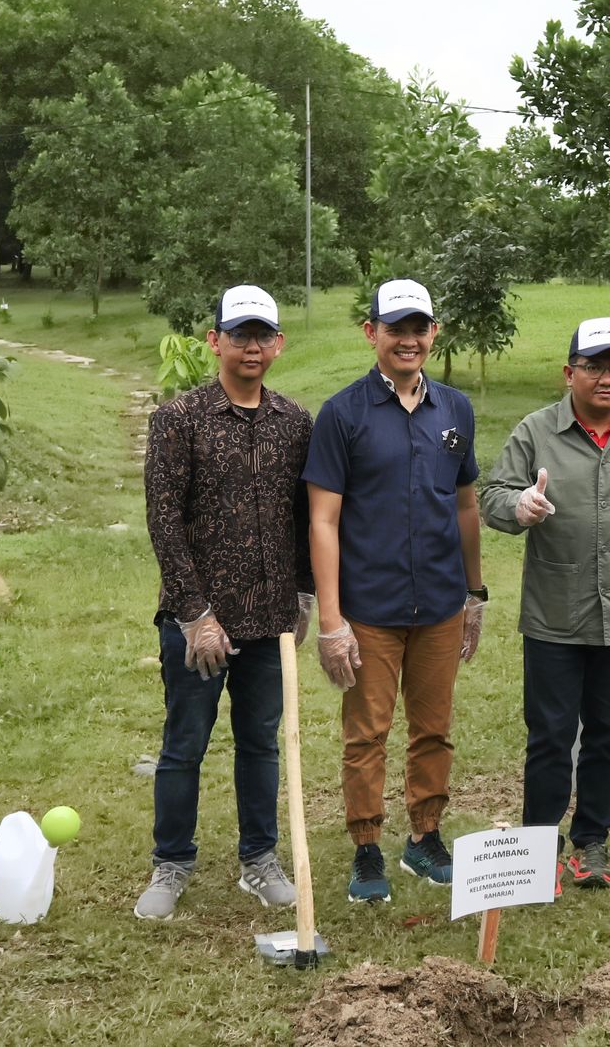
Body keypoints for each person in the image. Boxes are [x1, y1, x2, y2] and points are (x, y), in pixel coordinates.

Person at [482, 318, 610, 891]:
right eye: (594, 366)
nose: (606, 377)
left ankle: (591, 842)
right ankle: (537, 847)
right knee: (550, 734)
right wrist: (519, 505)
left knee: (607, 734)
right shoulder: (536, 432)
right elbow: (492, 495)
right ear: (569, 372)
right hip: (554, 615)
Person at [135, 284, 315, 920]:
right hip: (197, 625)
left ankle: (258, 860)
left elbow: (304, 518)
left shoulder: (295, 423)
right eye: (239, 336)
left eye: (262, 337)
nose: (251, 348)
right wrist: (195, 614)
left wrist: (305, 596)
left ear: (278, 345)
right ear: (215, 341)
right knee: (185, 743)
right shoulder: (178, 420)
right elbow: (165, 521)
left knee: (260, 743)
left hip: (270, 623)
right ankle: (172, 862)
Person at [302, 278, 485, 904]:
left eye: (419, 327)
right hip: (370, 608)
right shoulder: (343, 413)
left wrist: (474, 592)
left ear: (433, 333)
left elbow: (465, 507)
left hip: (438, 603)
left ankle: (424, 836)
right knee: (367, 733)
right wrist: (331, 620)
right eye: (395, 327)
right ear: (371, 332)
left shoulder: (455, 411)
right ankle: (367, 846)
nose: (408, 339)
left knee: (433, 729)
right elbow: (323, 520)